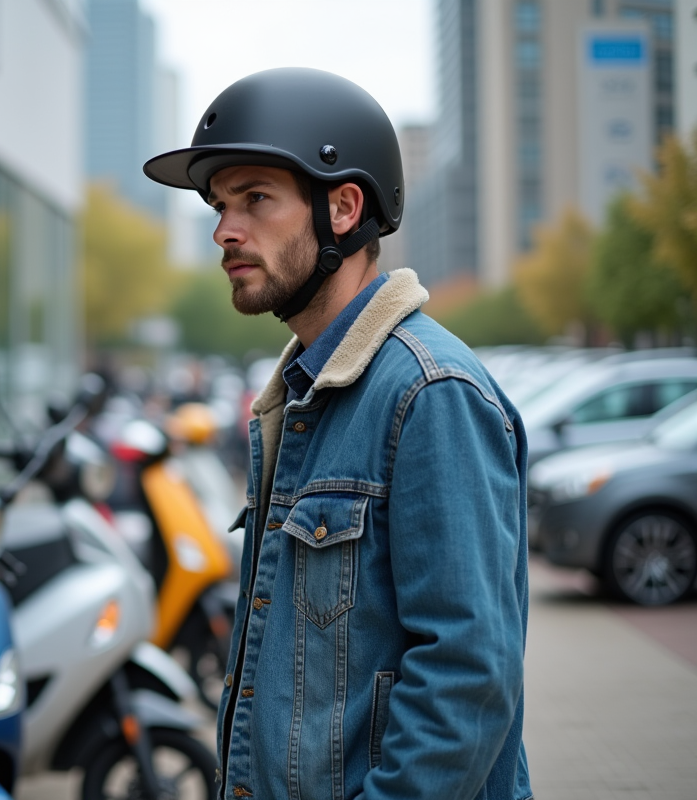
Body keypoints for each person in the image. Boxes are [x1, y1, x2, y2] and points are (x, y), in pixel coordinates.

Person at [142, 68, 532, 800]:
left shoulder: (428, 393)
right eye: (221, 206)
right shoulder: (301, 397)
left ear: (345, 207)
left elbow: (467, 679)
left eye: (256, 199)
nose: (225, 230)